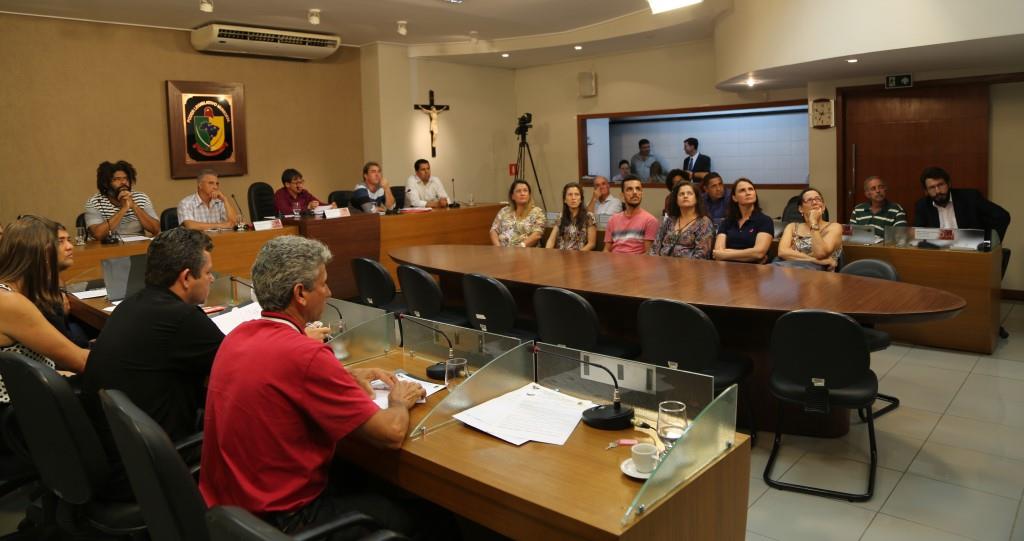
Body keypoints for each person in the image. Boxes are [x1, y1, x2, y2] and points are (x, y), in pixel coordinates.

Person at [200, 236, 426, 538]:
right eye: (323, 283)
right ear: (300, 294)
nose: (329, 291)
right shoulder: (305, 355)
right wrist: (399, 401)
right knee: (418, 516)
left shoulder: (238, 337)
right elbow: (390, 435)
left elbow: (287, 378)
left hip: (231, 515)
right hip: (285, 520)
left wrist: (342, 376)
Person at [81, 228, 221, 500]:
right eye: (207, 273)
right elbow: (241, 365)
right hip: (152, 465)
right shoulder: (181, 317)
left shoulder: (132, 304)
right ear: (186, 278)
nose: (212, 279)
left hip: (116, 453)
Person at [0, 216, 89, 404]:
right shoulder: (9, 302)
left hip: (30, 391)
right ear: (41, 256)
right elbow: (78, 360)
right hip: (21, 408)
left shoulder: (11, 293)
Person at [913, 166, 1010, 241]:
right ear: (926, 191)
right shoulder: (922, 206)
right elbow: (918, 235)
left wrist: (988, 243)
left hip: (970, 252)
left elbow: (1003, 216)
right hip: (940, 255)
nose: (938, 191)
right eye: (932, 187)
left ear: (949, 184)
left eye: (941, 185)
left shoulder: (970, 198)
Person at [84, 160, 160, 241]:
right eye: (117, 179)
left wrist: (134, 206)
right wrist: (124, 208)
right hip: (107, 249)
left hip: (137, 248)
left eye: (126, 178)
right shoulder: (95, 202)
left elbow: (156, 229)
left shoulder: (141, 198)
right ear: (105, 183)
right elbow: (98, 234)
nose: (123, 182)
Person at [775, 187, 843, 271]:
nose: (814, 202)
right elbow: (782, 252)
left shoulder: (834, 227)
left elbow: (820, 253)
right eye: (809, 200)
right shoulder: (792, 227)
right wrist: (814, 260)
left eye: (818, 199)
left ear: (824, 207)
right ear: (800, 209)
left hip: (821, 277)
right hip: (790, 273)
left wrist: (813, 222)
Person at [713, 178, 774, 263]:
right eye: (742, 190)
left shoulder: (765, 221)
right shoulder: (727, 222)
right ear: (734, 198)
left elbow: (759, 253)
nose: (748, 193)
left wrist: (726, 254)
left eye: (751, 189)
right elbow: (718, 253)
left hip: (755, 270)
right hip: (728, 270)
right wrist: (750, 255)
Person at [650, 182, 714, 260]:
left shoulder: (704, 222)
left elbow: (702, 255)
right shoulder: (669, 220)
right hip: (662, 267)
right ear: (676, 200)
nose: (685, 196)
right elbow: (655, 247)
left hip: (689, 269)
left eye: (689, 193)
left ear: (696, 199)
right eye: (681, 194)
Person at [603, 176, 659, 254]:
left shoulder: (650, 221)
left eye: (638, 189)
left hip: (638, 264)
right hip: (613, 263)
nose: (635, 192)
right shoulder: (612, 220)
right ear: (622, 195)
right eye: (629, 189)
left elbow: (648, 254)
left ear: (641, 193)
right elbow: (606, 250)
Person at [490, 179, 546, 248]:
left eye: (525, 190)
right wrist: (498, 248)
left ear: (529, 195)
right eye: (518, 191)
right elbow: (493, 230)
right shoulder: (504, 211)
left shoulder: (537, 212)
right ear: (512, 196)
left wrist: (520, 246)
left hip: (526, 253)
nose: (522, 193)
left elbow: (538, 234)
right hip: (502, 253)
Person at [545, 182, 596, 251]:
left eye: (577, 194)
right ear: (565, 200)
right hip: (561, 256)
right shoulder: (561, 216)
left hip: (580, 256)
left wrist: (578, 255)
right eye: (570, 195)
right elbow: (551, 240)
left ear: (581, 199)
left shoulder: (589, 216)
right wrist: (547, 253)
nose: (573, 198)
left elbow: (591, 244)